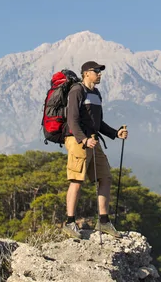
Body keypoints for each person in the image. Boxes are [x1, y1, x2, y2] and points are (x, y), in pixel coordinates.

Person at [63, 60, 128, 239]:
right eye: (96, 70)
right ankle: (69, 223)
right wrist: (83, 140)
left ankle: (104, 221)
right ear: (86, 73)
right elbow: (72, 120)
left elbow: (98, 123)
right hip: (78, 141)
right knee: (77, 179)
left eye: (100, 71)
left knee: (105, 177)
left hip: (93, 141)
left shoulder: (96, 93)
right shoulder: (77, 90)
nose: (99, 73)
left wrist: (116, 133)